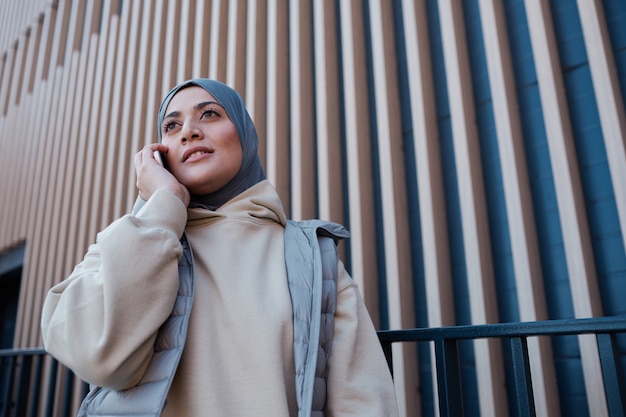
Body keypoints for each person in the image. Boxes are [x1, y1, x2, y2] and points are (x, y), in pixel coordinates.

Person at [41, 79, 399, 417]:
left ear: (244, 134)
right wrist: (163, 206)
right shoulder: (131, 239)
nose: (189, 132)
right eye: (171, 126)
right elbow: (98, 356)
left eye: (209, 114)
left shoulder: (311, 255)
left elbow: (362, 400)